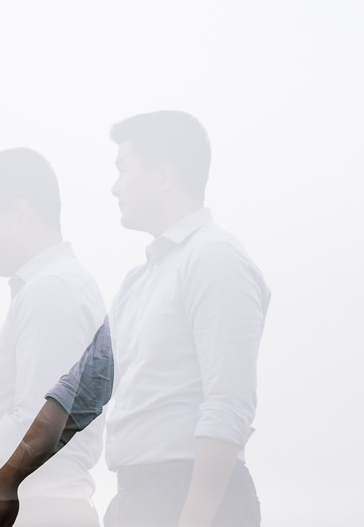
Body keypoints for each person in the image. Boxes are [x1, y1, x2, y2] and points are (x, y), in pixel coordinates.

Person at [102, 112, 270, 527]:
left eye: (123, 169)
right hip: (134, 500)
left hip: (194, 498)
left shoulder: (214, 258)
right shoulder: (137, 281)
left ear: (163, 176)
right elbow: (92, 390)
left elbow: (228, 403)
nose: (114, 187)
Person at [0, 148, 107, 527]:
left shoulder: (51, 290)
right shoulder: (51, 286)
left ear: (20, 213)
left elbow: (34, 419)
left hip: (43, 510)